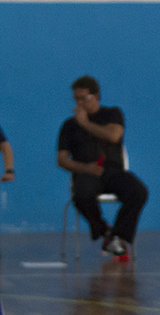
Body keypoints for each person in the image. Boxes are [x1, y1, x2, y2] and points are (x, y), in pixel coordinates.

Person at [57, 75, 148, 257]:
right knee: (81, 194)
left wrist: (85, 123)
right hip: (86, 172)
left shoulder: (112, 114)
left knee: (138, 191)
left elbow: (113, 135)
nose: (79, 103)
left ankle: (119, 237)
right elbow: (62, 159)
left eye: (84, 98)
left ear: (96, 96)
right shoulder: (69, 126)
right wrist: (86, 168)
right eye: (76, 99)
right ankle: (104, 231)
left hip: (113, 172)